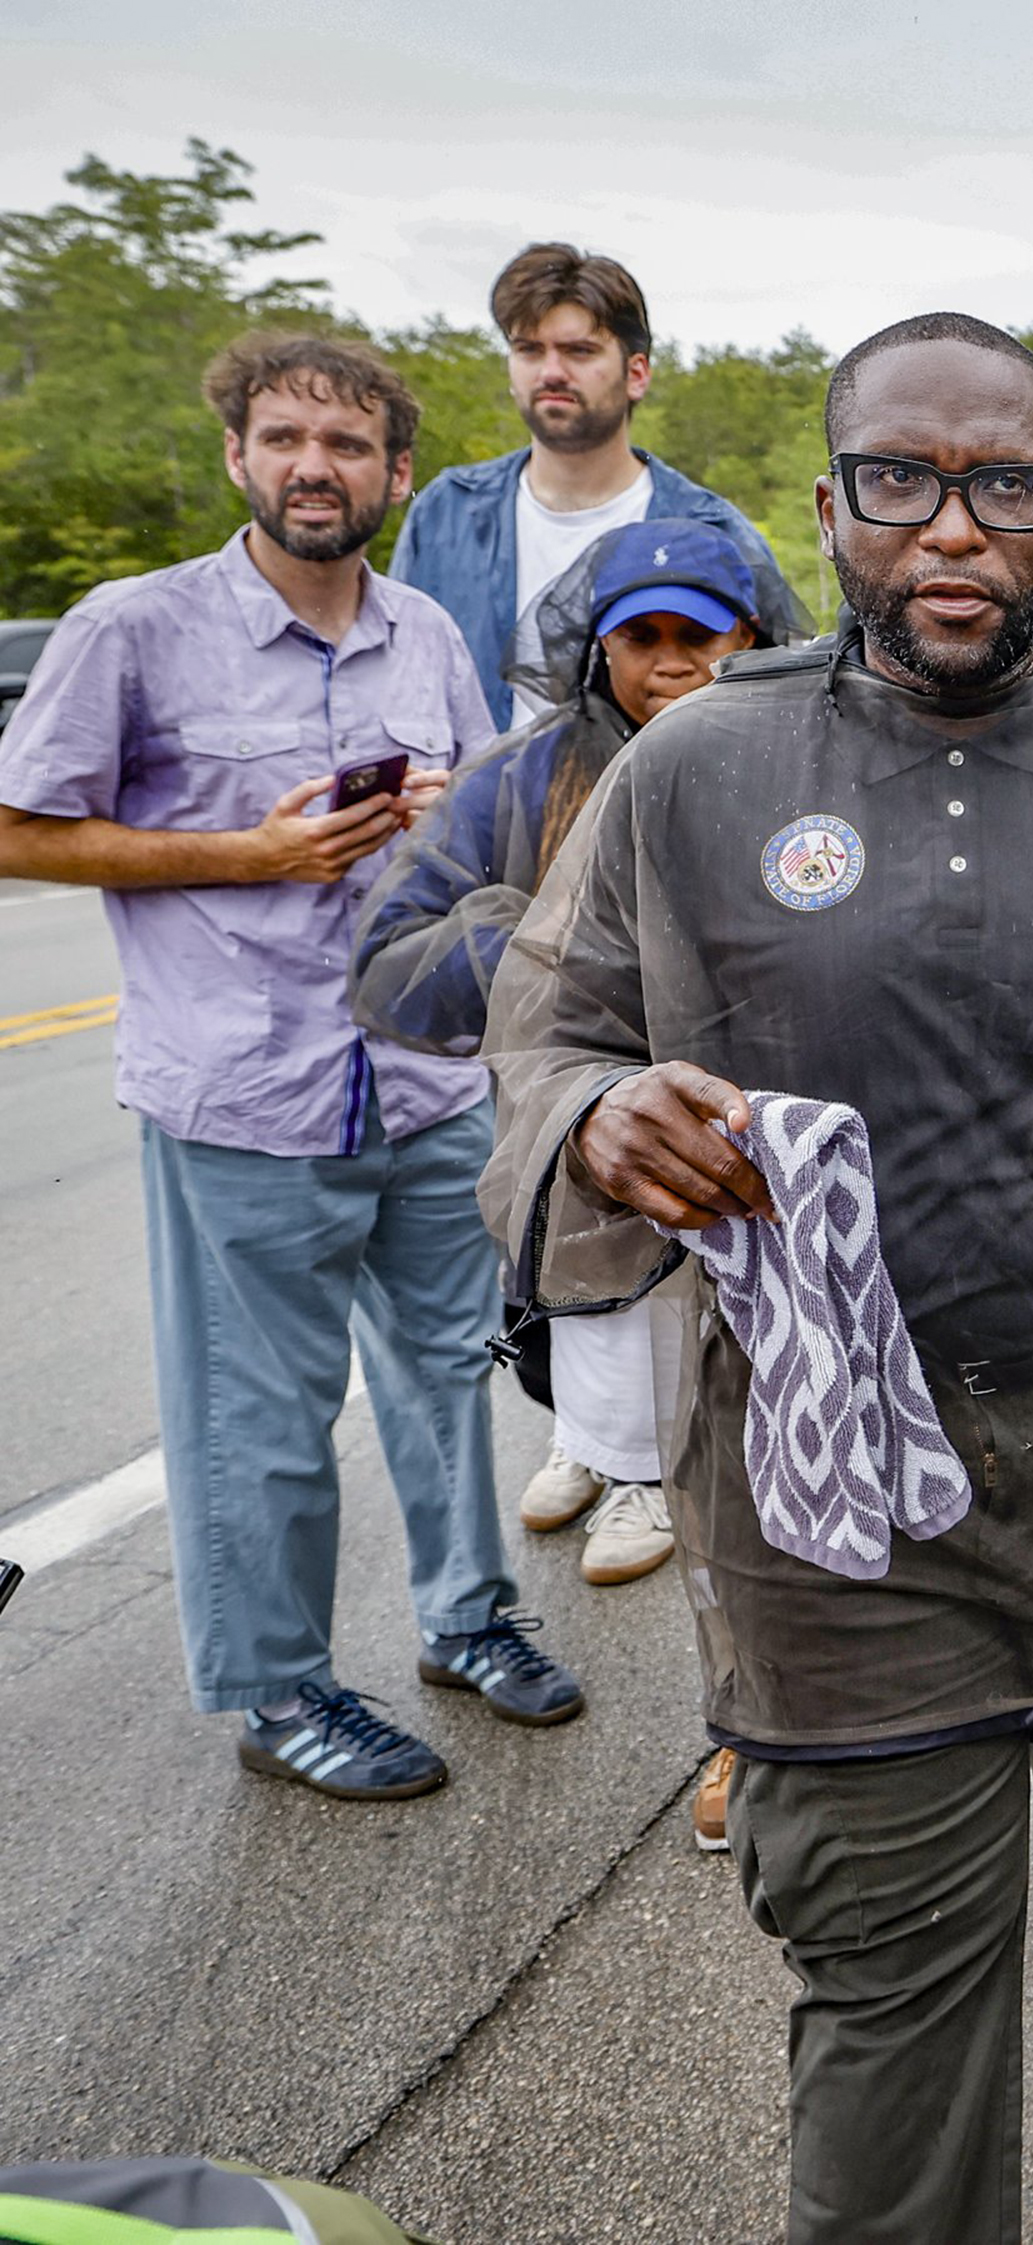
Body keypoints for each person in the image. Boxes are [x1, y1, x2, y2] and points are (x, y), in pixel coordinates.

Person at [477, 313, 1033, 2245]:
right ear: (831, 506)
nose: (954, 533)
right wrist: (598, 1119)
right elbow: (544, 1035)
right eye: (902, 485)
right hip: (819, 1503)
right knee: (880, 1982)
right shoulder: (700, 761)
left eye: (1007, 490)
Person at [0, 333, 586, 1801]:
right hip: (247, 1095)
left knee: (452, 1378)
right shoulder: (134, 628)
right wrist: (247, 851)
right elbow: (21, 827)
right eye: (282, 439)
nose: (311, 468)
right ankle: (280, 1690)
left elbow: (495, 837)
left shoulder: (428, 637)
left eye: (345, 445)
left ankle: (468, 1619)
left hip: (427, 1084)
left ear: (394, 471)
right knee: (261, 1419)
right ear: (237, 457)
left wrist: (458, 818)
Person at [353, 521, 809, 1605]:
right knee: (604, 1327)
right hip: (598, 1140)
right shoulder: (523, 777)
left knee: (753, 1420)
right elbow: (389, 958)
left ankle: (665, 1488)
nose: (673, 664)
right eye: (640, 638)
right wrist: (557, 943)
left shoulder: (797, 752)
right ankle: (608, 1456)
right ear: (596, 649)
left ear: (750, 633)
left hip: (744, 1138)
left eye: (700, 635)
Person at [390, 242, 773, 729]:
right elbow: (397, 671)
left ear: (636, 373)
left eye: (579, 351)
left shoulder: (711, 529)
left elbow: (765, 707)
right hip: (468, 801)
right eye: (528, 349)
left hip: (645, 801)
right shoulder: (447, 510)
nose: (551, 372)